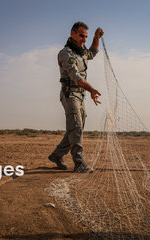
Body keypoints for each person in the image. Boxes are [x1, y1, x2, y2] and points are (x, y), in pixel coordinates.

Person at [48, 21, 104, 173]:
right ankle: (79, 163)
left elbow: (92, 52)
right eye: (81, 36)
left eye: (86, 37)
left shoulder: (81, 51)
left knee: (75, 127)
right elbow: (77, 78)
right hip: (70, 94)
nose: (84, 39)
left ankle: (57, 155)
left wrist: (96, 37)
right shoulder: (66, 53)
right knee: (76, 127)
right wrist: (92, 89)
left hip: (80, 95)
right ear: (72, 34)